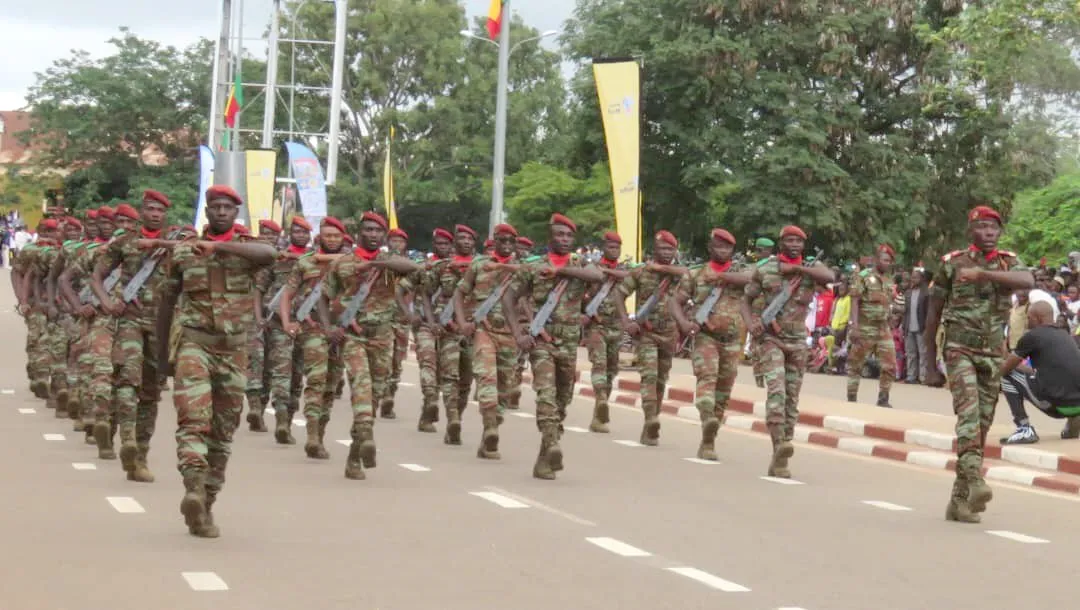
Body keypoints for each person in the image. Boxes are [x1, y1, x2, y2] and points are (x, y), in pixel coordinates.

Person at [156, 185, 277, 538]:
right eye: (215, 207)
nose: (221, 212)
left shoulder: (247, 250)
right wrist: (162, 355)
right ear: (206, 212)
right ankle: (193, 487)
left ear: (235, 214)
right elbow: (166, 304)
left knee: (223, 431)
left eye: (228, 207)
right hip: (195, 343)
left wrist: (220, 246)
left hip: (234, 350)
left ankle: (206, 502)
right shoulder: (183, 252)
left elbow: (270, 253)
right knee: (194, 421)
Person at [924, 205, 1033, 524]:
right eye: (982, 227)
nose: (989, 233)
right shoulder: (951, 263)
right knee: (969, 417)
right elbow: (932, 317)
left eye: (994, 228)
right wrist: (930, 365)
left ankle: (958, 502)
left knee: (982, 425)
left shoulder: (1009, 262)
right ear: (970, 231)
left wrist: (984, 275)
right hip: (959, 350)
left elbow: (1027, 280)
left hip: (992, 355)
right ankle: (975, 481)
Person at [503, 213, 603, 480]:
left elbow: (598, 277)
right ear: (549, 237)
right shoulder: (532, 268)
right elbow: (508, 300)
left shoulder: (579, 265)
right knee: (546, 394)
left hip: (569, 342)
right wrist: (517, 333)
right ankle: (553, 444)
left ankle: (544, 456)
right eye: (560, 234)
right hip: (541, 340)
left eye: (569, 235)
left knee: (562, 400)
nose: (564, 239)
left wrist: (561, 271)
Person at [744, 225, 833, 478]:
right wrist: (751, 324)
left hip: (797, 342)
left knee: (792, 400)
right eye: (789, 240)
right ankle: (779, 445)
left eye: (798, 241)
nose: (794, 244)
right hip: (771, 340)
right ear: (780, 243)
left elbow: (829, 276)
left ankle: (781, 454)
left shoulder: (810, 271)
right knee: (777, 394)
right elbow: (746, 300)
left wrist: (800, 269)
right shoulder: (765, 269)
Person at [670, 228, 751, 460]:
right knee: (707, 379)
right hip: (706, 336)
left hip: (733, 341)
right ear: (710, 248)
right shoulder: (695, 275)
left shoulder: (741, 273)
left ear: (732, 251)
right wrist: (684, 323)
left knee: (724, 392)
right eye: (718, 246)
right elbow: (675, 302)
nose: (722, 250)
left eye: (727, 247)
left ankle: (708, 441)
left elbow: (753, 281)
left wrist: (723, 277)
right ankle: (708, 418)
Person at [614, 231, 687, 446]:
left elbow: (689, 273)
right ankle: (650, 418)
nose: (666, 253)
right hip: (646, 332)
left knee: (661, 379)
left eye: (670, 249)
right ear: (654, 250)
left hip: (670, 333)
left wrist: (663, 269)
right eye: (662, 248)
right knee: (649, 376)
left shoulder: (679, 274)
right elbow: (619, 294)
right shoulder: (640, 272)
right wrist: (626, 321)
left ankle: (650, 427)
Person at [1000, 301, 1080, 444]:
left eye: (1029, 318)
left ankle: (1024, 428)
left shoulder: (1032, 336)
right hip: (1077, 406)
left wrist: (1002, 352)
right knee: (1067, 378)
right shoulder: (1065, 335)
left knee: (1007, 376)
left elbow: (1005, 369)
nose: (1027, 321)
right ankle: (1073, 427)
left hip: (1055, 406)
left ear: (1037, 318)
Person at [582, 231, 628, 433]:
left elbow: (630, 277)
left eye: (617, 247)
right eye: (611, 247)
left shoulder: (624, 270)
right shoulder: (591, 268)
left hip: (616, 326)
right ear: (604, 248)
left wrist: (613, 274)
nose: (614, 250)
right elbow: (578, 292)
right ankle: (600, 398)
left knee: (611, 370)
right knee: (599, 364)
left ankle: (598, 415)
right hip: (596, 325)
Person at [847, 244, 898, 407]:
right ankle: (852, 398)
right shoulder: (863, 277)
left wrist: (891, 317)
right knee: (856, 365)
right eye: (884, 260)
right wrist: (853, 326)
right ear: (876, 260)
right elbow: (854, 300)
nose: (887, 263)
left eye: (890, 261)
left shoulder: (889, 280)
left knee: (890, 365)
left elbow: (887, 303)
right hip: (864, 327)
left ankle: (883, 398)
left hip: (883, 328)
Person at [903, 268, 929, 383]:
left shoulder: (926, 293)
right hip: (909, 327)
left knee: (923, 353)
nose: (914, 279)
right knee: (911, 353)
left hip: (921, 327)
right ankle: (911, 376)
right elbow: (905, 311)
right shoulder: (908, 293)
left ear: (922, 278)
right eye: (912, 277)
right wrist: (904, 326)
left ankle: (923, 377)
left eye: (916, 277)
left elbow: (928, 311)